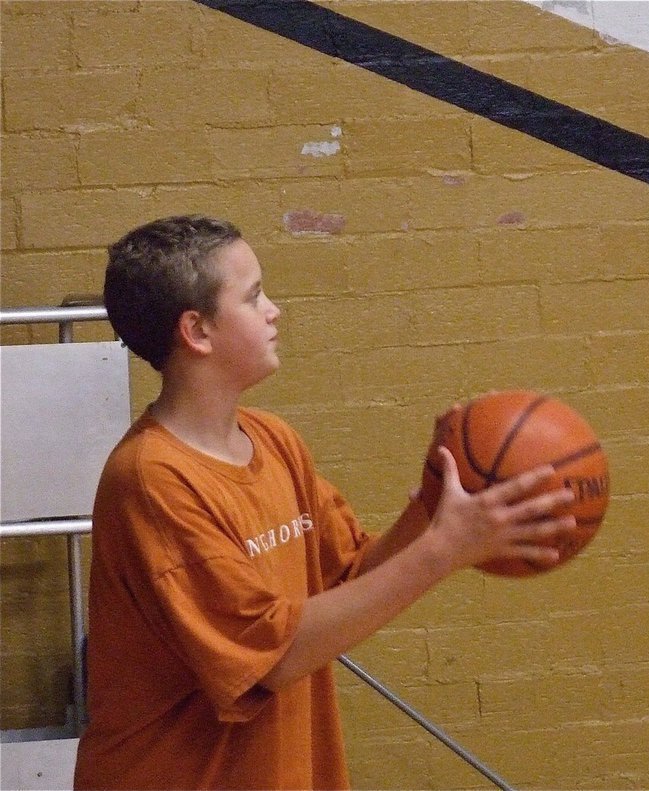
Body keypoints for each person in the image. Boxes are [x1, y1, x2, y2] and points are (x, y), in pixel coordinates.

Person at [73, 215, 577, 790]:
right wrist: (445, 549)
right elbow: (274, 655)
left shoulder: (274, 440)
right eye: (254, 295)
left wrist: (436, 500)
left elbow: (351, 579)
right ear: (197, 331)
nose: (274, 310)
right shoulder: (152, 479)